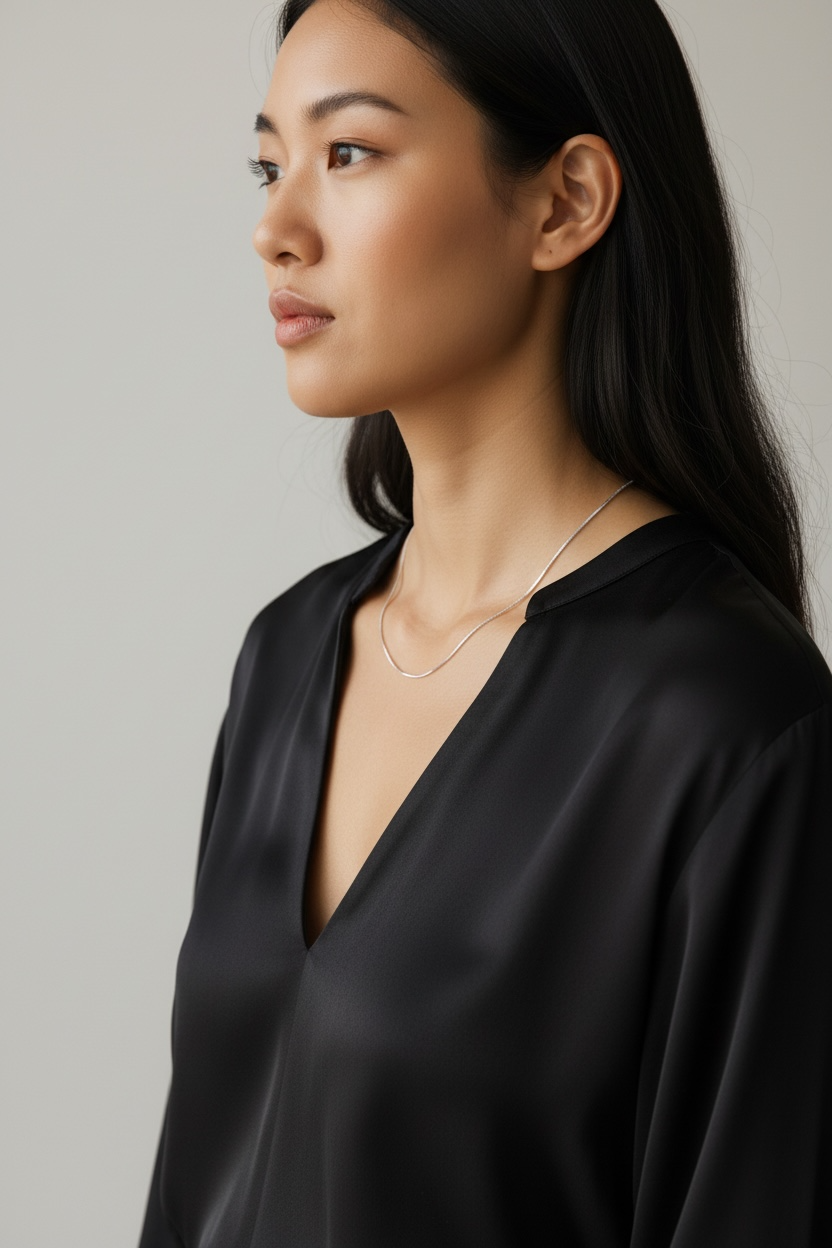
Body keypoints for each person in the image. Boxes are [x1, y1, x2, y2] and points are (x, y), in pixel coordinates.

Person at [137, 0, 832, 1243]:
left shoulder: (727, 725)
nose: (275, 228)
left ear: (565, 201)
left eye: (349, 152)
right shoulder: (288, 655)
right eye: (269, 164)